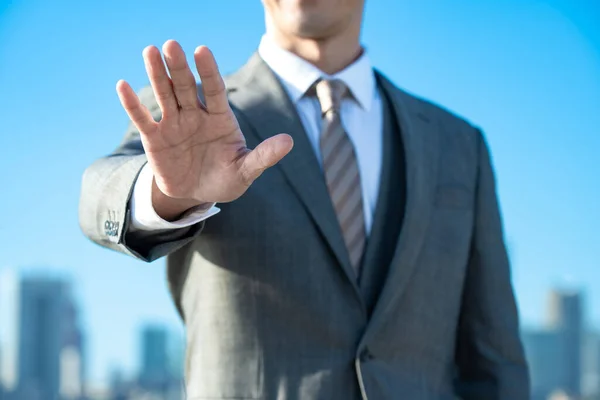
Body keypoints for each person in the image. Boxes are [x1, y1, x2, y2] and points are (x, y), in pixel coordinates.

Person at [78, 0, 530, 398]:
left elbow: (495, 361)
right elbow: (98, 195)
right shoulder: (190, 115)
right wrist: (165, 192)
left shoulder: (458, 145)